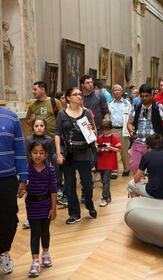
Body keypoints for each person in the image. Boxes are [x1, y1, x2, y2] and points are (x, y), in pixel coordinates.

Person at [55, 87, 97, 224]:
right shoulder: (62, 114)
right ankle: (74, 214)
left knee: (87, 184)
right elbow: (57, 134)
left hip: (84, 153)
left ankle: (90, 205)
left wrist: (94, 142)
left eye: (80, 94)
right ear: (68, 98)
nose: (79, 96)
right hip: (68, 154)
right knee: (70, 185)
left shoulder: (86, 113)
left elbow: (92, 133)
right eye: (75, 94)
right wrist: (58, 153)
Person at [0, 106, 28, 275]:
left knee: (9, 219)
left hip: (7, 179)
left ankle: (3, 251)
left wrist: (24, 177)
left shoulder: (11, 117)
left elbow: (19, 149)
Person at [24, 142, 57, 277]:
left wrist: (53, 208)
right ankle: (35, 261)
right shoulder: (26, 169)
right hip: (32, 205)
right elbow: (22, 187)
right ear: (30, 154)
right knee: (35, 232)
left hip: (46, 204)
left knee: (45, 231)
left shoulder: (50, 169)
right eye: (35, 152)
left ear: (46, 155)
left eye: (41, 153)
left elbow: (53, 190)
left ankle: (46, 253)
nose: (38, 155)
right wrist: (20, 190)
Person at [127, 84, 163, 175]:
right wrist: (131, 131)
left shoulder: (158, 107)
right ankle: (138, 187)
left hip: (154, 145)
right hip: (138, 142)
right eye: (142, 96)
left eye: (146, 96)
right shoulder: (136, 108)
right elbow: (129, 123)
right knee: (135, 167)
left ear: (151, 95)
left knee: (154, 171)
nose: (144, 98)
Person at [128, 134, 163, 199]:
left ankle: (137, 204)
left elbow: (136, 179)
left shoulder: (146, 156)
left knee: (130, 184)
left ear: (148, 145)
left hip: (154, 192)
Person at [108, 84, 132, 178]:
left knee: (124, 150)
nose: (117, 92)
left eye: (119, 90)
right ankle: (114, 171)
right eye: (115, 90)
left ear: (122, 92)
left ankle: (126, 168)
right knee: (113, 151)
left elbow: (130, 117)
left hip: (124, 129)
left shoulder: (127, 103)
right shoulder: (110, 104)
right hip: (113, 129)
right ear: (112, 92)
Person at [97, 119, 121, 207]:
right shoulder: (100, 138)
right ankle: (108, 197)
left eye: (107, 130)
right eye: (104, 130)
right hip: (101, 161)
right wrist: (99, 148)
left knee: (106, 180)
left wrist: (111, 148)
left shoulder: (114, 137)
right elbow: (97, 149)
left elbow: (118, 149)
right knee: (104, 181)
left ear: (110, 129)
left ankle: (104, 198)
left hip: (110, 162)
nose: (105, 132)